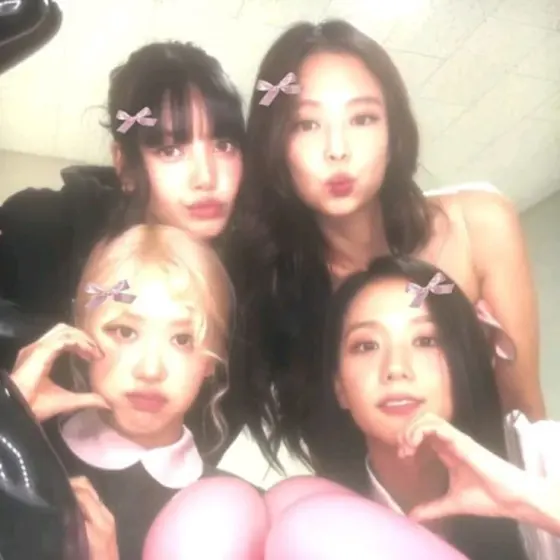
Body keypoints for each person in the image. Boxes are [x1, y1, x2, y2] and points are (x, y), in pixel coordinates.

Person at [237, 19, 544, 475]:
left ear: (393, 131)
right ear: (275, 144)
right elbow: (331, 455)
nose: (337, 150)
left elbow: (526, 416)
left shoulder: (477, 227)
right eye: (306, 124)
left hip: (499, 492)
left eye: (362, 119)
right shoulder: (279, 291)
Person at [0, 40, 247, 460]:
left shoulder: (251, 290)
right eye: (170, 150)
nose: (206, 177)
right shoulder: (44, 232)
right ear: (125, 164)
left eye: (223, 145)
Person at [9, 224, 249, 560]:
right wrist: (10, 420)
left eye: (182, 340)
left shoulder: (234, 515)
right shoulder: (20, 454)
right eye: (125, 332)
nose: (150, 369)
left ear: (212, 359)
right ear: (81, 332)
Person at [319, 255, 559, 559]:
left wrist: (523, 499)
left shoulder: (545, 454)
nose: (396, 368)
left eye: (425, 341)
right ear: (339, 388)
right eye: (366, 346)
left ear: (464, 360)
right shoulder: (331, 527)